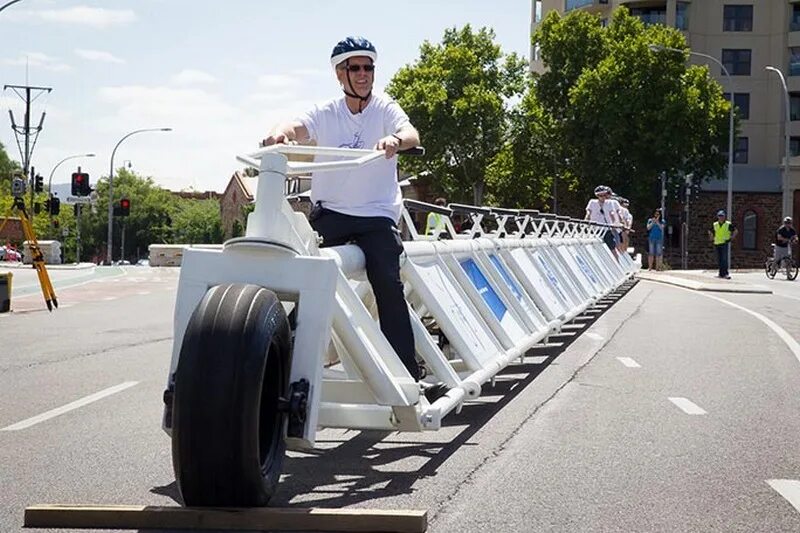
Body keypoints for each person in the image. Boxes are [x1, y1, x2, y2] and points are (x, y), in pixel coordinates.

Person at [261, 37, 449, 400]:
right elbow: (296, 126)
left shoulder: (385, 107)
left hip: (375, 217)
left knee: (388, 285)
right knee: (308, 280)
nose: (363, 75)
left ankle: (409, 378)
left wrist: (395, 140)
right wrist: (280, 133)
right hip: (331, 214)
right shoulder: (327, 110)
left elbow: (412, 133)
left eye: (368, 68)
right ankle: (276, 366)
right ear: (339, 74)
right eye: (355, 68)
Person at [586, 185, 621, 258]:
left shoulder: (609, 203)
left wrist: (614, 223)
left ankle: (617, 264)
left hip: (606, 229)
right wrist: (586, 220)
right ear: (597, 195)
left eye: (604, 195)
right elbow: (588, 212)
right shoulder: (592, 202)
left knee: (612, 247)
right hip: (594, 228)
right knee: (593, 245)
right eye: (600, 195)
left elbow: (612, 213)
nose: (603, 197)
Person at [707, 209, 737, 279]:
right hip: (717, 243)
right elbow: (710, 231)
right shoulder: (715, 224)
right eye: (719, 216)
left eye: (722, 216)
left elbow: (735, 231)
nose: (721, 217)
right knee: (719, 259)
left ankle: (725, 273)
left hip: (724, 243)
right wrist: (711, 237)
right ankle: (721, 274)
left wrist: (731, 238)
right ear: (718, 217)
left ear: (724, 217)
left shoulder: (728, 224)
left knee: (724, 259)